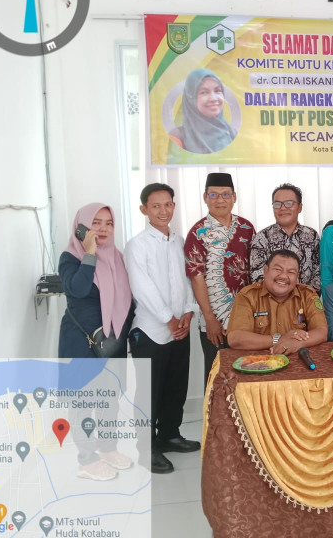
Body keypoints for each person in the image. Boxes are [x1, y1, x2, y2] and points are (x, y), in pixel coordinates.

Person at [124, 183, 199, 475]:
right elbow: (142, 287)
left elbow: (188, 280)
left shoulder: (180, 242)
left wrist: (189, 312)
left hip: (180, 328)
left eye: (167, 204)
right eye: (155, 206)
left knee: (176, 387)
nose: (163, 211)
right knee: (150, 393)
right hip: (151, 331)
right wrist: (169, 318)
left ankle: (169, 434)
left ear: (174, 206)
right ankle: (146, 449)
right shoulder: (137, 245)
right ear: (144, 209)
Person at [58, 203, 134, 481]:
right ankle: (86, 459)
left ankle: (108, 449)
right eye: (96, 223)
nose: (103, 228)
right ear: (82, 227)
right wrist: (89, 253)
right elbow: (77, 289)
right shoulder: (71, 257)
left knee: (109, 398)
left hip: (111, 341)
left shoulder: (117, 257)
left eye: (108, 223)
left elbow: (127, 300)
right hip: (81, 341)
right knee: (84, 401)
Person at [185, 173, 255, 387]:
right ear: (205, 197)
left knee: (247, 373)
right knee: (216, 376)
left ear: (234, 197)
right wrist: (209, 318)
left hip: (245, 319)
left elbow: (255, 272)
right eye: (214, 195)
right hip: (214, 320)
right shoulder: (197, 233)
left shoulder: (246, 228)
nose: (220, 200)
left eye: (225, 194)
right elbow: (196, 278)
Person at [227, 250, 327, 354]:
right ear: (265, 271)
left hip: (297, 359)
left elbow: (322, 331)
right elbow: (235, 339)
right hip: (257, 360)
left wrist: (297, 343)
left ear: (297, 276)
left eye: (291, 272)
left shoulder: (307, 295)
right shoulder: (247, 296)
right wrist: (279, 339)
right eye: (278, 269)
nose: (283, 276)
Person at [250, 183, 320, 292]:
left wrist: (304, 297)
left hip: (305, 299)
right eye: (277, 204)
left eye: (289, 203)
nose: (282, 208)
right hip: (270, 300)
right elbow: (257, 275)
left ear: (300, 207)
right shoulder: (262, 237)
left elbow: (318, 272)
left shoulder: (312, 235)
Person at [169, 69, 236, 154]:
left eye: (218, 91)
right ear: (191, 98)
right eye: (204, 92)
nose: (213, 98)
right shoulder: (178, 136)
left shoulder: (232, 134)